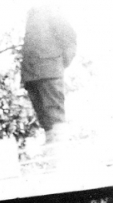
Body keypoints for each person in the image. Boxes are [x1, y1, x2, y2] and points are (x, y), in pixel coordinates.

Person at [21, 2, 77, 144]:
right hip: (31, 75)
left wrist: (57, 65)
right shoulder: (31, 13)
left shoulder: (53, 10)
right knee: (45, 119)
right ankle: (52, 155)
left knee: (56, 117)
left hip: (49, 72)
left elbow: (70, 40)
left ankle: (60, 157)